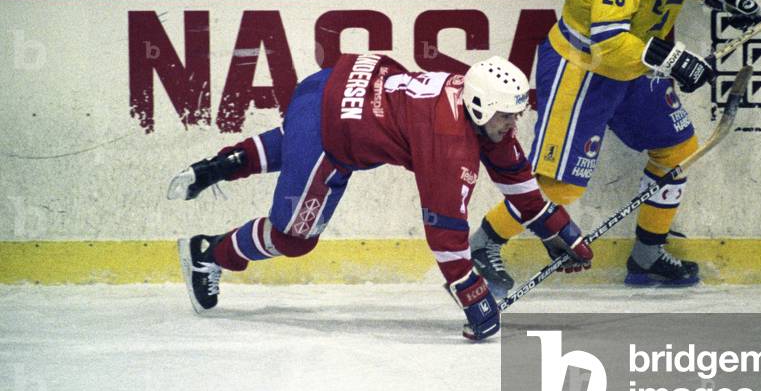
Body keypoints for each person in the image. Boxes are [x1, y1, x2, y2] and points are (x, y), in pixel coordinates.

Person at [469, 0, 761, 296]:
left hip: (635, 61)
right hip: (584, 66)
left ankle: (647, 254)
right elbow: (608, 44)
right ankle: (484, 244)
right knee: (558, 186)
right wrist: (676, 60)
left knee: (676, 151)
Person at [168, 55, 592, 341]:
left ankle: (220, 165)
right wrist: (473, 296)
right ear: (480, 107)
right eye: (506, 116)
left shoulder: (474, 100)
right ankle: (208, 252)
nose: (512, 123)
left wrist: (562, 233)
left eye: (515, 114)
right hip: (331, 130)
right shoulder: (449, 144)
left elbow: (516, 180)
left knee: (295, 139)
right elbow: (445, 233)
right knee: (294, 238)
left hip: (329, 83)